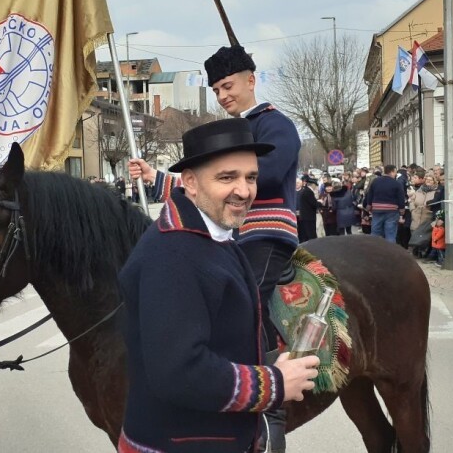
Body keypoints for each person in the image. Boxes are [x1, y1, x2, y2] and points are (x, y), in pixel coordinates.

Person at [118, 119, 319, 453]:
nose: (243, 190)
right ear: (191, 183)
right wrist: (274, 384)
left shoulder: (215, 237)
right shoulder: (174, 252)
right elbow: (179, 371)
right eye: (227, 177)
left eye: (251, 177)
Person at [364, 164, 406, 243]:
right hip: (392, 211)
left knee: (375, 232)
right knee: (390, 233)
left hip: (377, 209)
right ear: (392, 172)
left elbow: (370, 194)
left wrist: (369, 205)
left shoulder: (375, 181)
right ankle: (390, 252)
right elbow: (401, 197)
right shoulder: (396, 183)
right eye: (395, 172)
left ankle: (375, 250)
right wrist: (402, 209)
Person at [297, 175, 320, 242]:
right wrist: (321, 203)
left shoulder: (304, 191)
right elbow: (313, 203)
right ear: (313, 185)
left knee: (305, 234)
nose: (316, 187)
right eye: (315, 185)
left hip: (305, 216)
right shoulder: (308, 192)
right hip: (309, 217)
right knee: (311, 235)